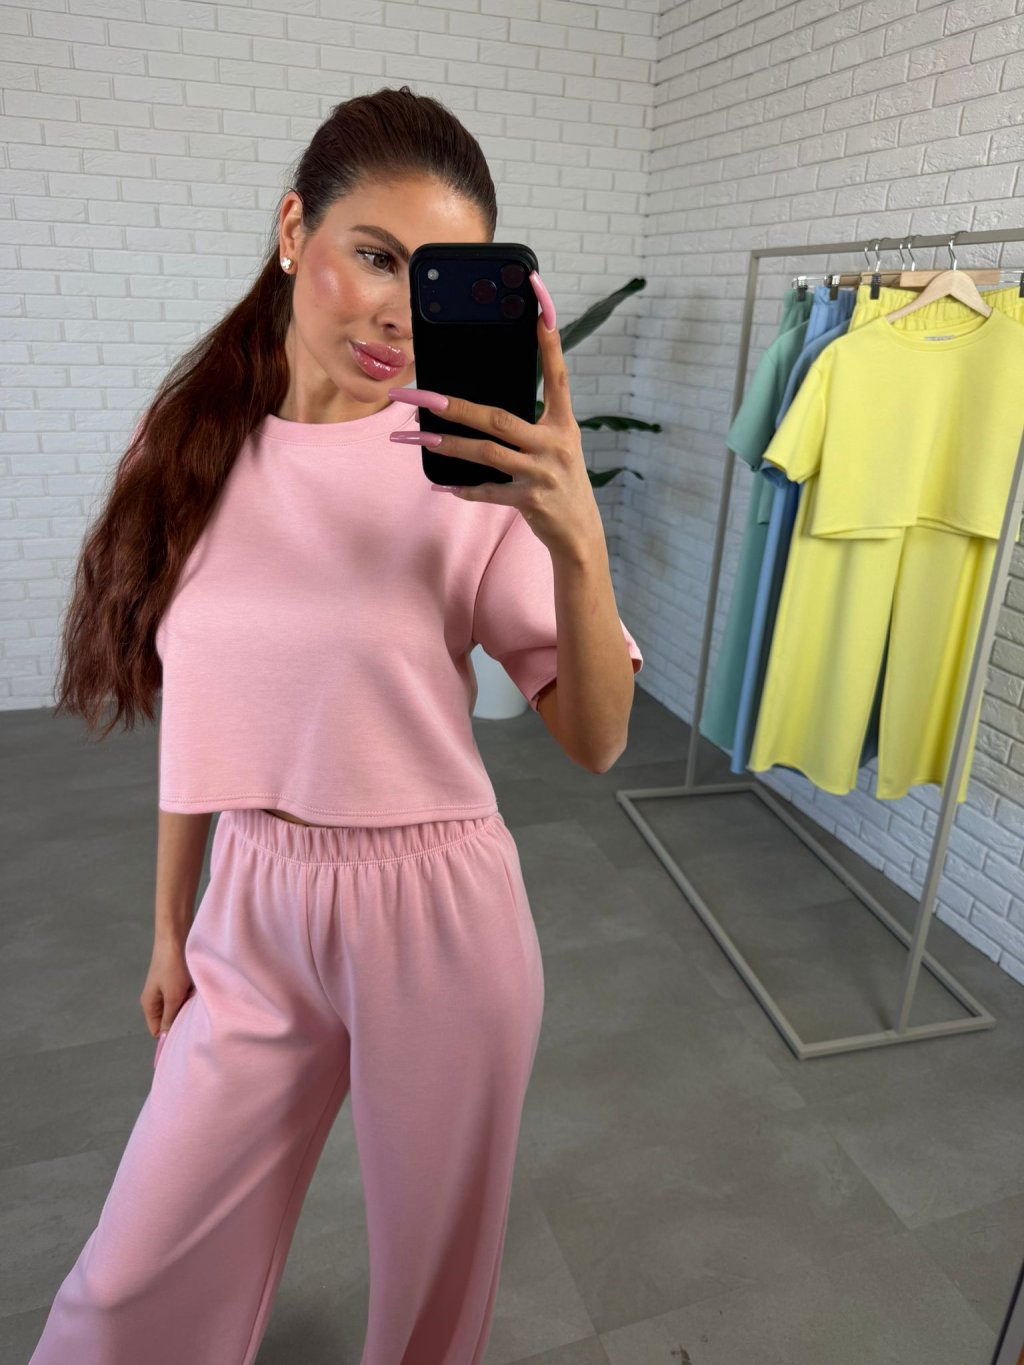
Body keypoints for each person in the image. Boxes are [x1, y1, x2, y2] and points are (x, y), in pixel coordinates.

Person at [32, 85, 642, 1364]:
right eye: (375, 255)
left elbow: (595, 740)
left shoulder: (471, 469)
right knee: (128, 1282)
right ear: (292, 230)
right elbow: (202, 712)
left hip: (438, 912)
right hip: (251, 904)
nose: (397, 312)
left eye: (434, 284)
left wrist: (575, 539)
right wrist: (170, 927)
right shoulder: (186, 441)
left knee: (431, 1290)